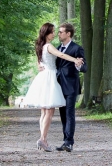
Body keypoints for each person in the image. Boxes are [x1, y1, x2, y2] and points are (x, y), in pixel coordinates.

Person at [23, 23, 83, 152]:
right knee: (49, 111)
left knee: (44, 112)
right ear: (47, 33)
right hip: (50, 78)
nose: (55, 34)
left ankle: (46, 139)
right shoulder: (50, 46)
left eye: (58, 31)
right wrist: (75, 60)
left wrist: (38, 64)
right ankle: (42, 139)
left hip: (45, 77)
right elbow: (61, 55)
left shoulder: (40, 46)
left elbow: (40, 60)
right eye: (53, 32)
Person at [39, 22, 87, 152]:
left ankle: (69, 142)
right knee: (63, 115)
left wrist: (78, 65)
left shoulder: (77, 48)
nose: (58, 34)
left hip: (71, 85)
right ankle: (65, 141)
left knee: (69, 113)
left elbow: (84, 67)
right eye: (57, 32)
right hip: (58, 85)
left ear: (68, 34)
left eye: (61, 32)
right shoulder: (57, 48)